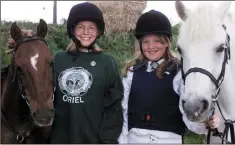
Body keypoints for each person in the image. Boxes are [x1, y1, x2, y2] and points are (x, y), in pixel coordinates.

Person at [118, 10, 220, 144]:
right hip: (135, 139)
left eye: (157, 41)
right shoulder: (132, 72)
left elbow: (188, 118)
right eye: (146, 42)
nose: (151, 46)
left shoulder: (178, 72)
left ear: (167, 42)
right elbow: (123, 114)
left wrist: (205, 123)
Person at [49, 2, 124, 144]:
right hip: (60, 138)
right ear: (73, 30)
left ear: (98, 31)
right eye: (80, 27)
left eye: (91, 28)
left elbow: (114, 106)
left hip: (93, 138)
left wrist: (108, 139)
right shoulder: (59, 59)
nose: (86, 32)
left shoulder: (107, 62)